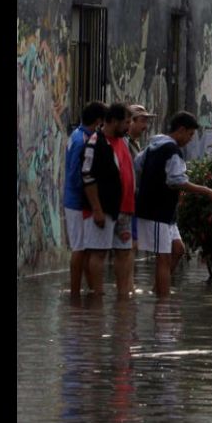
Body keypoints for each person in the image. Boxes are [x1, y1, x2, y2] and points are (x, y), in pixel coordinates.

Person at [135, 111, 212, 297]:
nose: (190, 140)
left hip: (166, 213)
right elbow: (177, 181)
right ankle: (162, 304)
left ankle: (158, 290)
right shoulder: (171, 150)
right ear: (181, 130)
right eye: (190, 135)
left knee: (178, 250)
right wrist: (206, 191)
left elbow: (138, 165)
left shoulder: (153, 146)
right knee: (163, 258)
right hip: (156, 212)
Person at [81, 103, 134, 296]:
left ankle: (122, 297)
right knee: (98, 252)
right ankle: (97, 297)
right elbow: (87, 175)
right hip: (104, 209)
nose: (128, 126)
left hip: (125, 208)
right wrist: (96, 209)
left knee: (124, 252)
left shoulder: (123, 141)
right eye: (126, 122)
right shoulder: (96, 142)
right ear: (113, 121)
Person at [63, 101, 107, 297]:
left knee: (85, 248)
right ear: (98, 121)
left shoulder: (79, 136)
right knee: (80, 247)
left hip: (76, 201)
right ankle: (75, 293)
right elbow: (75, 175)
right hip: (77, 202)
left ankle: (89, 290)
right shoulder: (82, 140)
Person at [125, 104, 157, 291]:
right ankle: (127, 288)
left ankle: (129, 286)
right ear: (131, 122)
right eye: (143, 121)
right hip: (128, 201)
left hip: (135, 201)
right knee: (130, 245)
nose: (146, 126)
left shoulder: (135, 144)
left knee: (132, 246)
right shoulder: (125, 144)